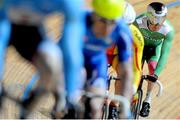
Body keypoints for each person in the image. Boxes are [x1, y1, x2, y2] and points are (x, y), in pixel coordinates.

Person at [0, 0, 85, 119]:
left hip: (32, 31)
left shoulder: (70, 3)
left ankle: (29, 107)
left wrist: (70, 97)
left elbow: (71, 50)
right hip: (4, 22)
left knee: (53, 61)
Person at [82, 0, 133, 118]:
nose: (107, 29)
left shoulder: (122, 31)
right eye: (102, 20)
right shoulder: (80, 21)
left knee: (94, 107)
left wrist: (124, 107)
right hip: (78, 60)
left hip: (97, 61)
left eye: (113, 23)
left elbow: (126, 72)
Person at [133, 2, 175, 117]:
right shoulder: (137, 22)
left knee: (152, 68)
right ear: (149, 17)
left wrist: (155, 74)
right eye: (155, 21)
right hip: (139, 47)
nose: (158, 25)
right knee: (134, 69)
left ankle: (147, 99)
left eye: (161, 20)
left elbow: (164, 55)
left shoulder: (168, 30)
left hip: (154, 50)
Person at [107, 2, 144, 119]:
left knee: (124, 77)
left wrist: (133, 87)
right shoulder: (99, 25)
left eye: (127, 26)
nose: (122, 30)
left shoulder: (136, 36)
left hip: (116, 56)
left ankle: (114, 106)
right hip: (99, 54)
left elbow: (137, 68)